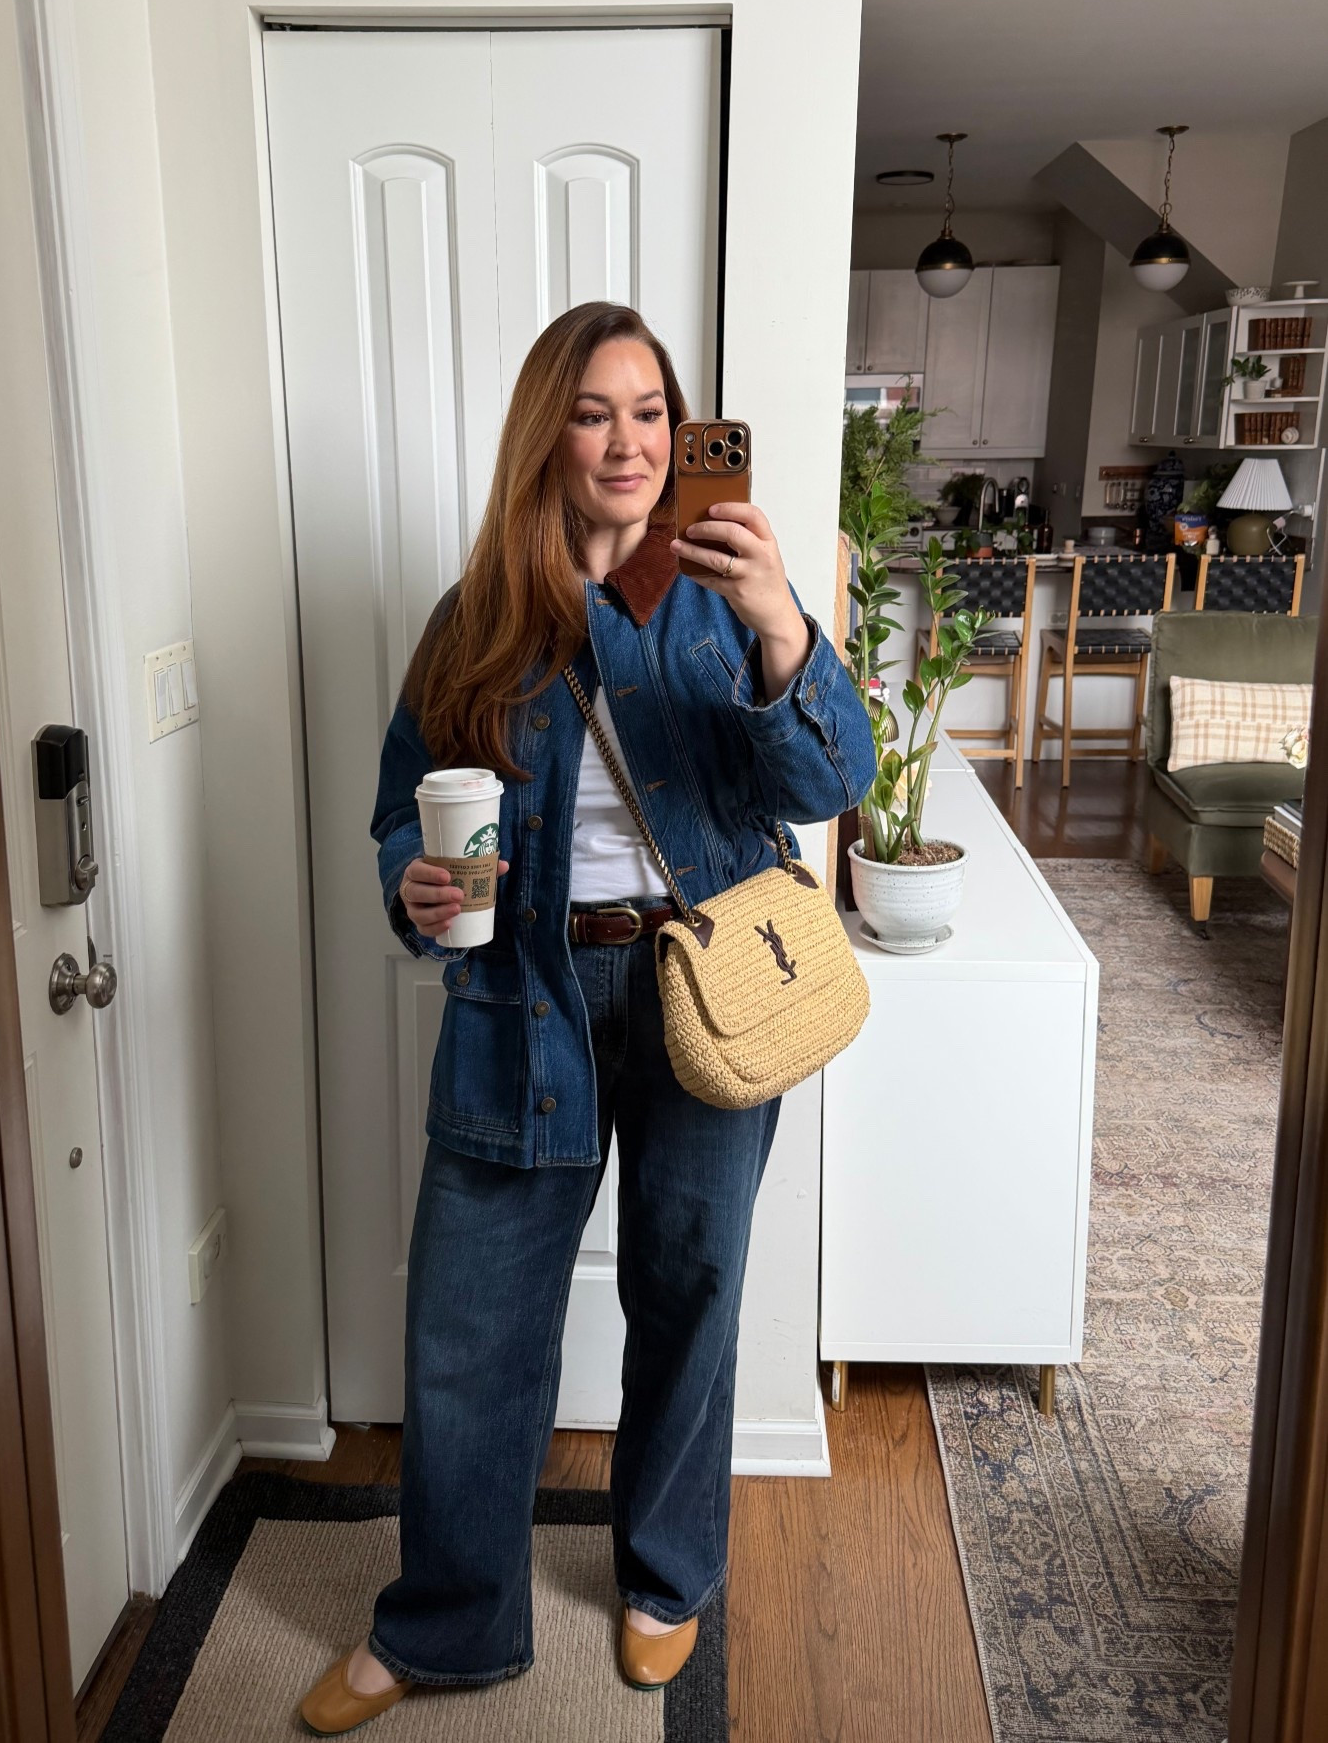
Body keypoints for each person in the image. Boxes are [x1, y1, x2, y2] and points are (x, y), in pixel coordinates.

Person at [299, 300, 876, 1734]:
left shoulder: (732, 591)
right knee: (469, 1322)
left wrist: (782, 627)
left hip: (706, 985)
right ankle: (447, 1624)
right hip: (524, 990)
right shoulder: (481, 618)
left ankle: (664, 1580)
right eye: (595, 410)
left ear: (685, 436)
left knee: (689, 1291)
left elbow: (830, 782)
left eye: (652, 410)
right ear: (546, 436)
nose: (629, 440)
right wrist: (414, 885)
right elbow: (397, 813)